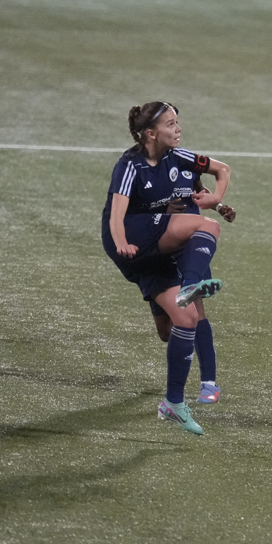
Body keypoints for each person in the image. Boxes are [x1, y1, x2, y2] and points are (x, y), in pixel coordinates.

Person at [101, 101, 230, 436]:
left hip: (155, 249)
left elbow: (220, 170)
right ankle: (190, 285)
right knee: (209, 228)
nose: (178, 128)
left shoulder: (181, 158)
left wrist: (216, 199)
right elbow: (116, 216)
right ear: (150, 133)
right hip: (130, 237)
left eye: (177, 122)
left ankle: (173, 403)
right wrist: (121, 243)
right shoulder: (130, 165)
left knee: (180, 322)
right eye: (171, 124)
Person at [147, 181, 236, 406]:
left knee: (196, 312)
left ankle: (209, 383)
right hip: (156, 250)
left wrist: (219, 207)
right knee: (166, 332)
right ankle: (183, 357)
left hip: (189, 248)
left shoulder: (186, 163)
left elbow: (200, 192)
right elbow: (133, 209)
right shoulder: (143, 169)